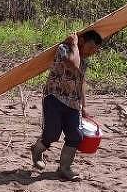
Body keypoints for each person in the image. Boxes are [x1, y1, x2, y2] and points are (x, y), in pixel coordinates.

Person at [30, 30, 102, 180]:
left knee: (76, 135)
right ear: (81, 41)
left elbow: (81, 83)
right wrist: (74, 44)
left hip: (73, 104)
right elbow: (73, 64)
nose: (92, 53)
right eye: (91, 48)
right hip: (55, 98)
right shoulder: (64, 49)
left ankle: (64, 168)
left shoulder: (85, 61)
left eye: (95, 51)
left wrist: (84, 106)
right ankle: (37, 150)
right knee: (52, 133)